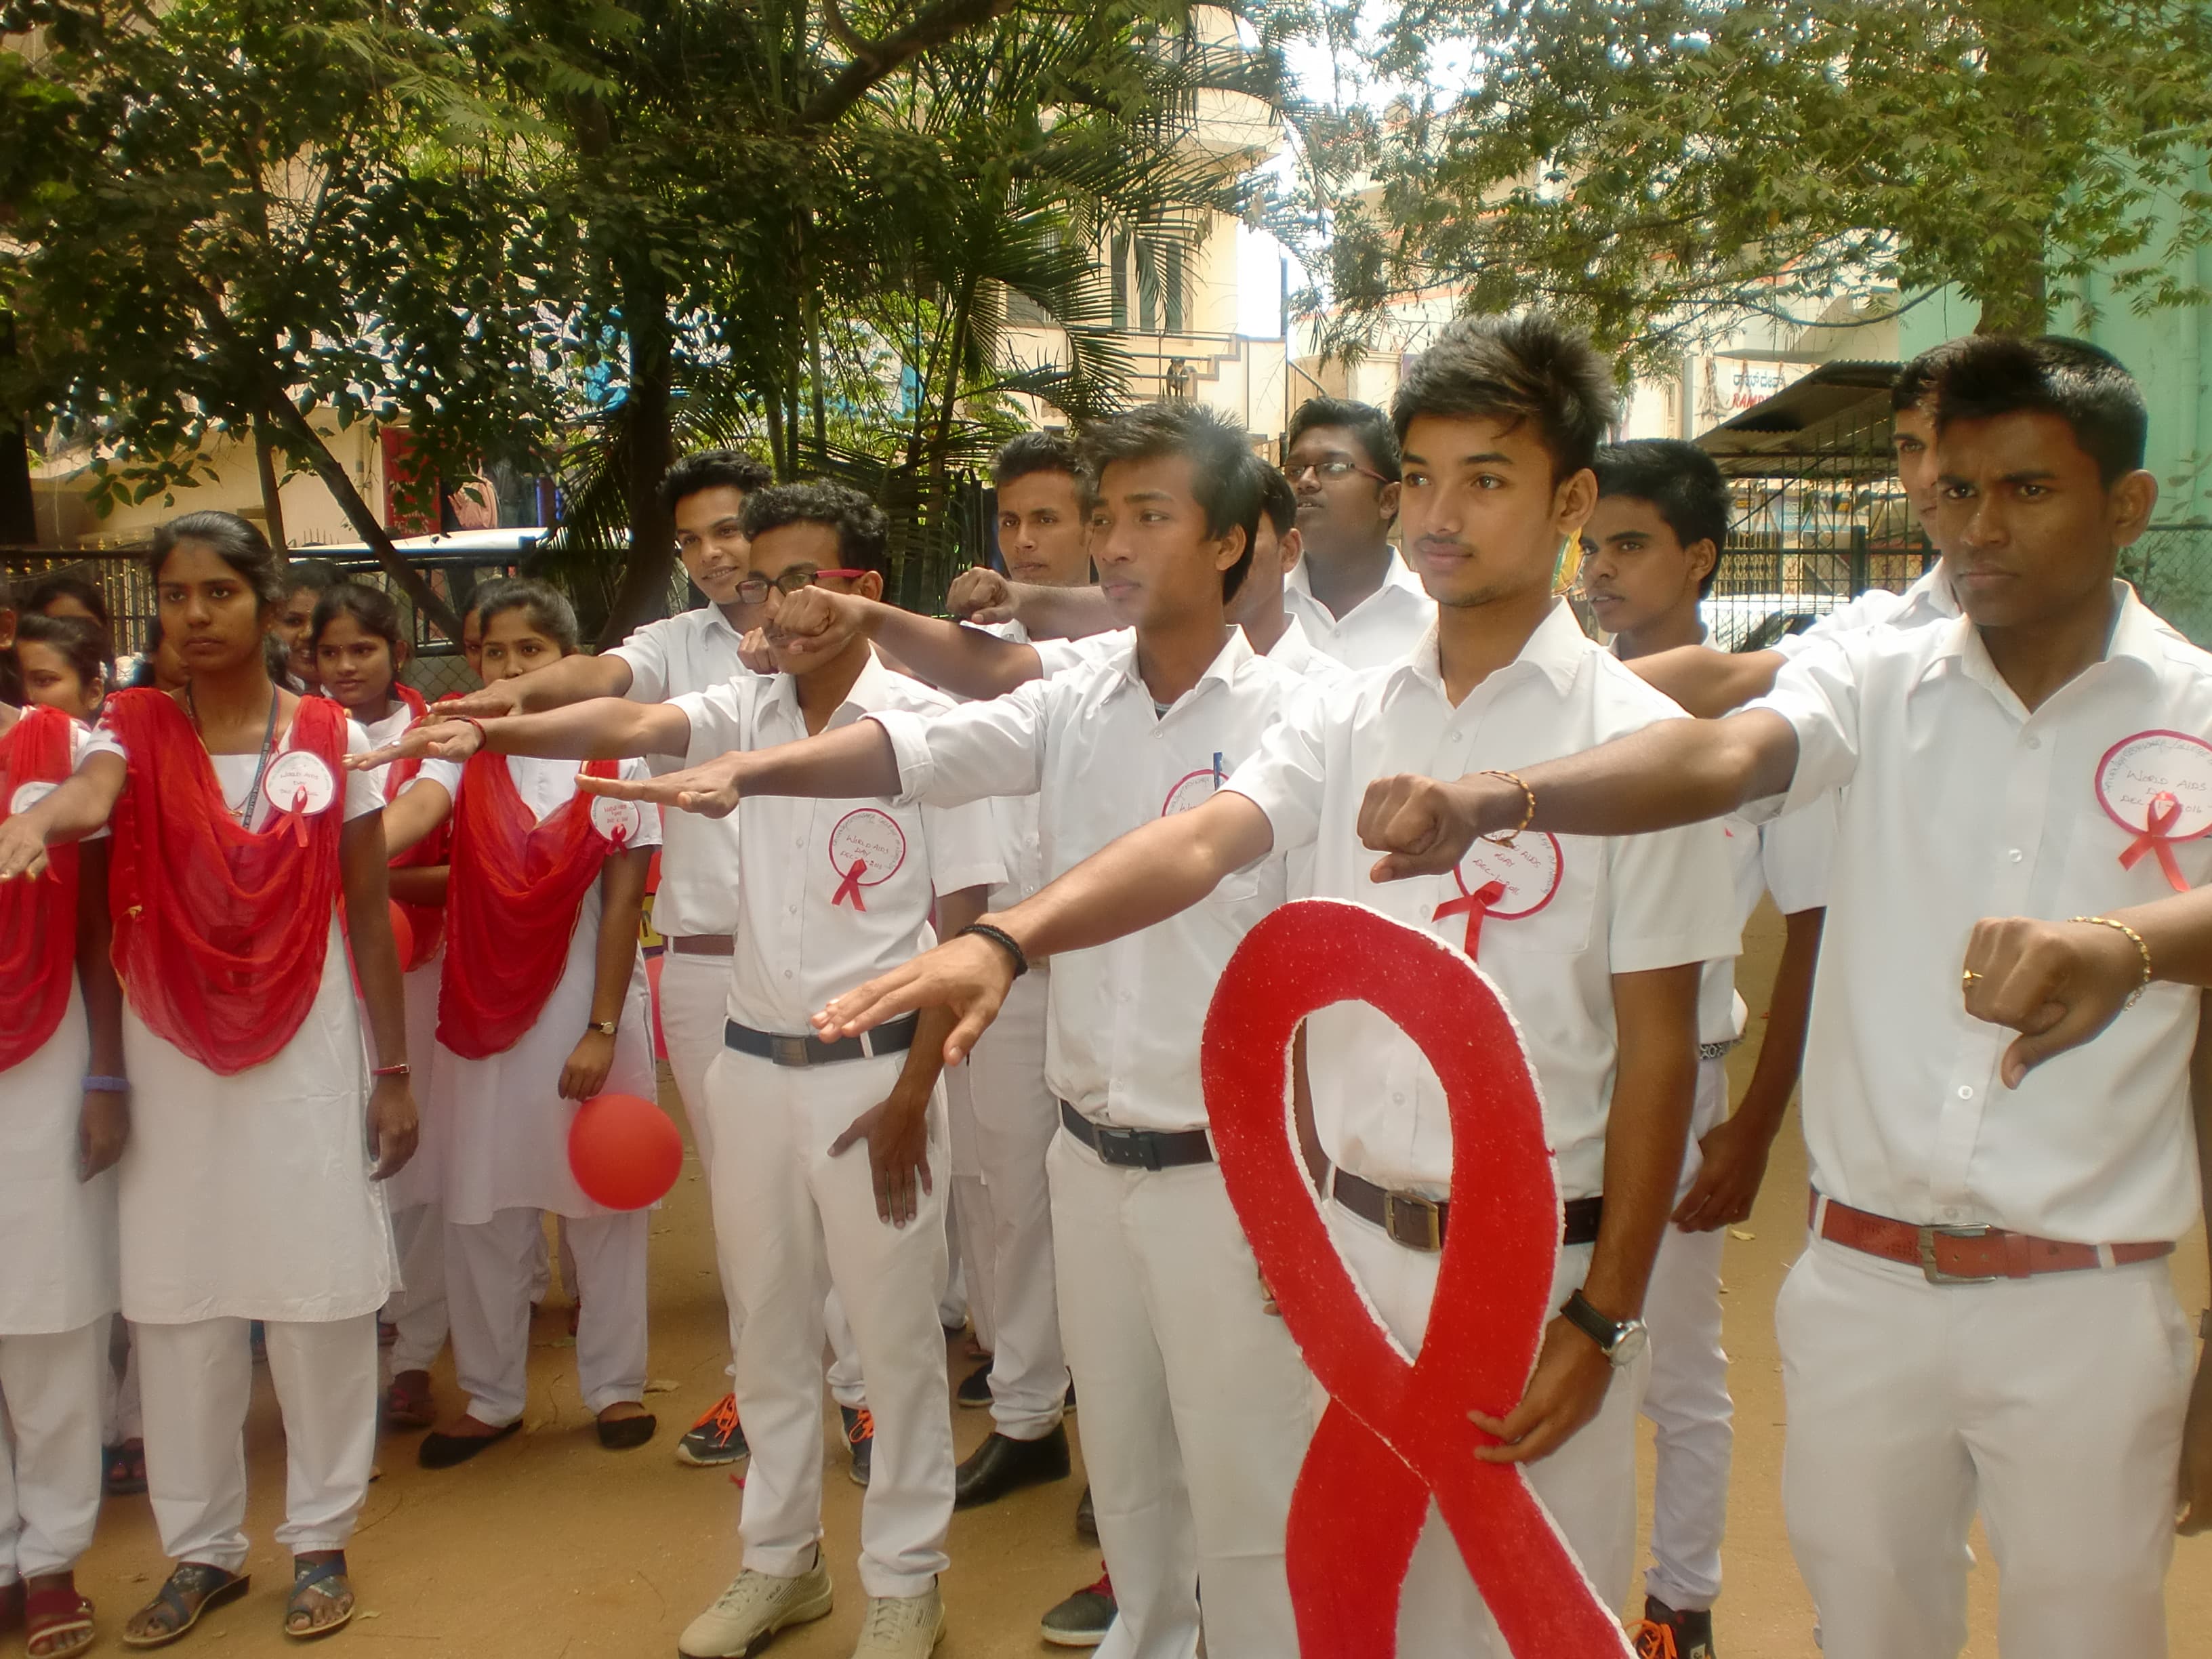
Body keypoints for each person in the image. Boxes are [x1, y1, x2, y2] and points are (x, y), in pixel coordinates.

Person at [776, 326, 1738, 1654]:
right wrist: (1009, 941)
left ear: (1574, 500)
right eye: (1423, 476)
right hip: (1342, 1261)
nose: (1440, 516)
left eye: (1490, 479)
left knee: (1520, 1614)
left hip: (1534, 1270)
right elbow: (1203, 841)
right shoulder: (1339, 716)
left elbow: (1660, 1051)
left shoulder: (1643, 751)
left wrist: (1603, 1312)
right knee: (1349, 1601)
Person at [1340, 334, 2212, 1657]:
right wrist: (1506, 797)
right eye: (1954, 491)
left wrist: (2130, 947)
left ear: (2127, 505)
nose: (1978, 527)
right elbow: (1722, 758)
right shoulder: (1870, 676)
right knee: (1865, 1629)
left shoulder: (2198, 719)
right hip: (1863, 1288)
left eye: (2026, 490)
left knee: (2091, 1635)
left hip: (2088, 1304)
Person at [592, 407, 1325, 1659]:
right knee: (1132, 1468)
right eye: (1106, 516)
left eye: (1152, 514)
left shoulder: (1307, 708)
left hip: (1232, 1157)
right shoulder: (1083, 691)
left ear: (1236, 542)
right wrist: (755, 771)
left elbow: (1191, 851)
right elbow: (928, 741)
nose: (1113, 542)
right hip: (1089, 1148)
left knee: (1244, 1473)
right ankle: (1144, 1632)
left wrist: (1004, 935)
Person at [363, 482, 1002, 1659]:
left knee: (895, 1337)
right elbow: (629, 725)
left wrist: (915, 1095)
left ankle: (907, 1578)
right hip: (751, 1073)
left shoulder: (936, 725)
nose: (775, 606)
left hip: (875, 1082)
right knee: (765, 1328)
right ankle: (780, 1563)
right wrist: (490, 728)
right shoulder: (742, 704)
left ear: (861, 588)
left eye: (801, 579)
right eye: (762, 582)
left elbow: (964, 935)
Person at [432, 451, 874, 1477]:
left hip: (841, 959)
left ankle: (859, 1394)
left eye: (731, 534)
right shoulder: (679, 647)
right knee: (747, 1202)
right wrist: (503, 701)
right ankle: (763, 1390)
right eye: (692, 540)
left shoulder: (838, 647)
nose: (713, 555)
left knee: (843, 1188)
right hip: (713, 964)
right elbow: (601, 683)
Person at [81, 511, 416, 1647]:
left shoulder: (324, 733)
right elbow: (85, 819)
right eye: (174, 596)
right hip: (168, 1048)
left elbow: (367, 913)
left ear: (270, 608)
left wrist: (393, 1067)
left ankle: (320, 1538)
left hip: (311, 1043)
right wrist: (36, 818)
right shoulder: (123, 730)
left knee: (316, 1296)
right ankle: (202, 1549)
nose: (193, 615)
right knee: (178, 1306)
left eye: (217, 592)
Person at [1578, 440, 1833, 1656]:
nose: (1597, 570)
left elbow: (1810, 931)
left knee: (1668, 1348)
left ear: (1697, 557)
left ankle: (1679, 1598)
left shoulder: (1765, 721)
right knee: (1546, 1342)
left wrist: (1750, 1122)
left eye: (1627, 546)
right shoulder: (1551, 690)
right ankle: (1546, 1591)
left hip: (1684, 1081)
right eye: (1589, 544)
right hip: (1548, 1079)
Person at [384, 581, 663, 1469]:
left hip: (591, 1005)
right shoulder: (465, 751)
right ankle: (494, 1396)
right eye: (493, 654)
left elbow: (623, 904)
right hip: (481, 1009)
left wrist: (602, 1028)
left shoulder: (621, 753)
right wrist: (335, 842)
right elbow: (417, 818)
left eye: (529, 652)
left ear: (568, 660)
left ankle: (616, 1387)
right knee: (483, 1205)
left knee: (605, 1203)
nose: (508, 669)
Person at [0, 636, 130, 1659]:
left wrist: (104, 1075)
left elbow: (96, 920)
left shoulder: (60, 743)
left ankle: (49, 1560)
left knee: (47, 1317)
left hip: (42, 1053)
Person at [312, 585, 459, 1433]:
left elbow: (419, 814)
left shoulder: (429, 735)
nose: (343, 668)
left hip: (415, 969)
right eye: (328, 653)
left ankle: (415, 1351)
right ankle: (357, 1339)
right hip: (315, 979)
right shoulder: (296, 735)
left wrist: (323, 867)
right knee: (335, 1155)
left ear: (395, 654)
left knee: (413, 1158)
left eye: (360, 651)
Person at [1278, 394, 1430, 666]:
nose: (1306, 481)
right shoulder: (1260, 609)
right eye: (1294, 470)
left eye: (1334, 467)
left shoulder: (1437, 622)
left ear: (1388, 500)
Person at [274, 558, 340, 693]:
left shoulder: (372, 700)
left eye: (321, 621)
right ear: (268, 625)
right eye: (294, 621)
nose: (309, 634)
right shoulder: (254, 698)